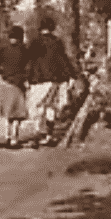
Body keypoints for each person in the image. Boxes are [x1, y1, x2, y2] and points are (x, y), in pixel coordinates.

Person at [26, 16, 79, 148]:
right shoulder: (57, 42)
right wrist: (71, 75)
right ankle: (49, 135)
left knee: (38, 108)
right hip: (54, 80)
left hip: (37, 79)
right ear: (52, 27)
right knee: (51, 108)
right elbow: (63, 60)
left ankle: (37, 134)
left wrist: (26, 78)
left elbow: (29, 61)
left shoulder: (35, 42)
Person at [0, 25, 30, 148]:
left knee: (8, 113)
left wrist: (3, 74)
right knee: (18, 114)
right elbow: (29, 67)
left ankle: (8, 136)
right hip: (19, 84)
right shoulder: (24, 50)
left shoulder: (3, 50)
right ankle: (14, 138)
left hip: (6, 83)